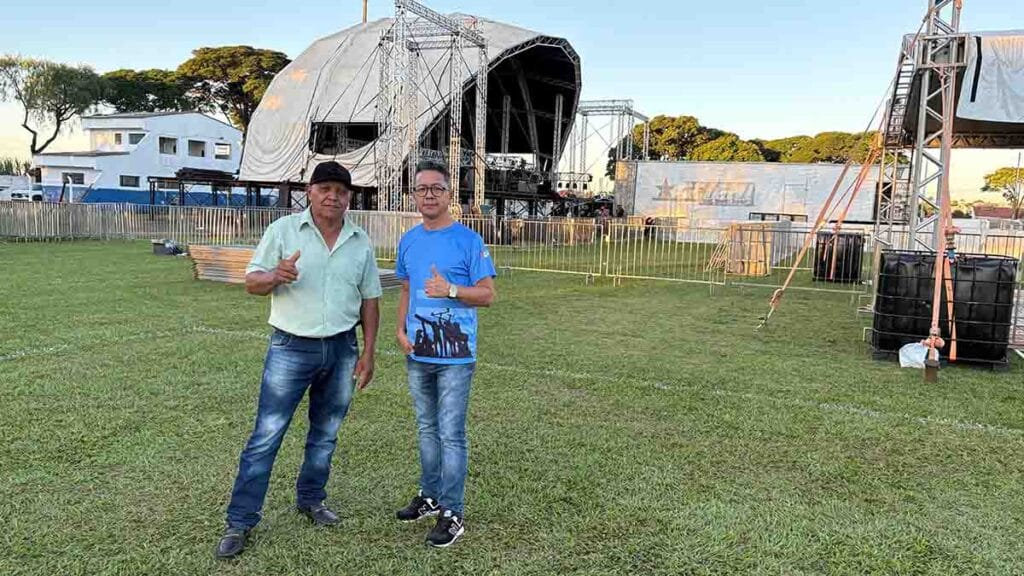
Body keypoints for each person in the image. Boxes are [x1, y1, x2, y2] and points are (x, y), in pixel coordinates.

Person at [215, 161, 382, 559]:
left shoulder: (359, 240)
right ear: (309, 191)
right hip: (291, 348)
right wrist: (276, 275)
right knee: (266, 436)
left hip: (342, 349)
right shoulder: (283, 231)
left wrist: (369, 351)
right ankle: (240, 520)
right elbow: (251, 283)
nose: (333, 196)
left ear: (349, 197)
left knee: (325, 434)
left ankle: (311, 500)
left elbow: (370, 299)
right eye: (325, 188)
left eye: (341, 191)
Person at [393, 159, 497, 548]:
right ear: (415, 195)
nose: (429, 194)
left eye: (437, 188)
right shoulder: (409, 240)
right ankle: (429, 495)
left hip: (455, 356)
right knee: (425, 428)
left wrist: (451, 290)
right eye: (422, 189)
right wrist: (400, 328)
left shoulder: (469, 241)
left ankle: (452, 513)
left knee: (451, 434)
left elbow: (488, 295)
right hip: (418, 352)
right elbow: (406, 289)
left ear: (450, 194)